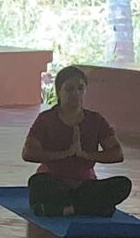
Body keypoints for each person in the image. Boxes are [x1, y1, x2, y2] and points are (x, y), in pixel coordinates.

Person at [20, 65, 132, 217]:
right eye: (69, 89)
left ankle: (65, 209)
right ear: (59, 91)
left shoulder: (96, 120)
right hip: (54, 182)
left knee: (122, 184)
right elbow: (28, 153)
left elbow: (117, 154)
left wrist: (85, 155)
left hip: (85, 185)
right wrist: (65, 153)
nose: (76, 94)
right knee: (37, 183)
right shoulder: (46, 119)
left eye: (80, 88)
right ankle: (90, 207)